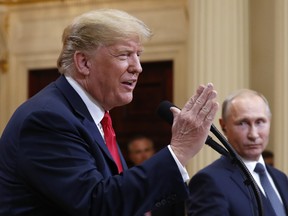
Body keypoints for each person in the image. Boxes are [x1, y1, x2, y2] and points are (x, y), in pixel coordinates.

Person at [0, 9, 219, 216]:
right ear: (84, 62)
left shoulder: (93, 116)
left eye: (138, 55)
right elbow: (98, 205)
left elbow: (116, 195)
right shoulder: (47, 119)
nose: (138, 67)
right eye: (124, 55)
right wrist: (179, 151)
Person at [187, 89, 288, 216]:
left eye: (260, 122)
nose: (253, 134)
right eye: (243, 123)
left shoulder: (281, 178)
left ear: (269, 122)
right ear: (223, 126)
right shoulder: (209, 181)